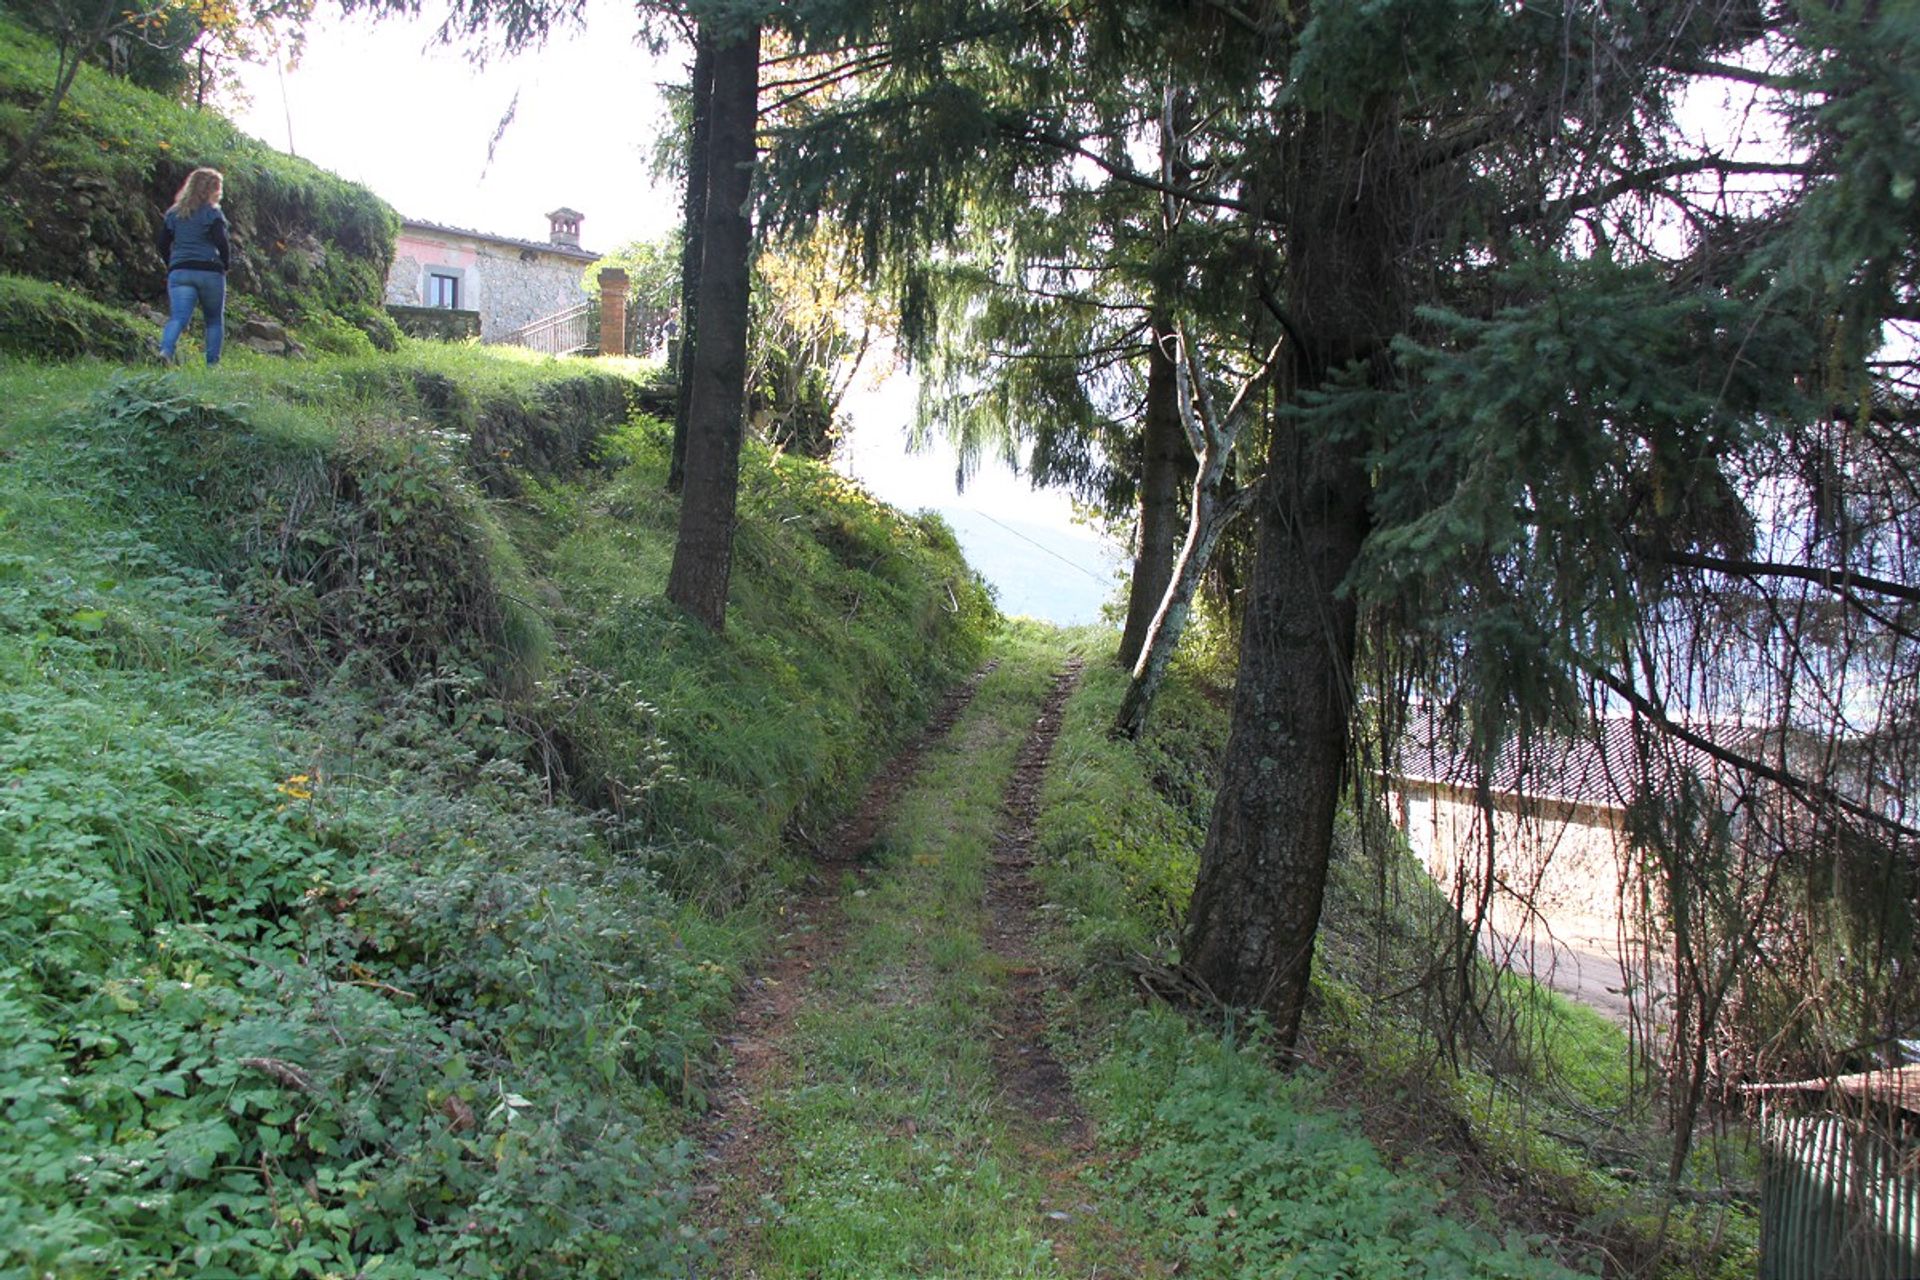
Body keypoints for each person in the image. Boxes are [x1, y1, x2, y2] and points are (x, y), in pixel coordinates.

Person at [157, 167, 230, 366]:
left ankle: (166, 349)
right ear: (213, 189)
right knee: (214, 320)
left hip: (180, 272)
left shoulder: (174, 214)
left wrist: (172, 264)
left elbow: (162, 243)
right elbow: (221, 242)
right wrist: (225, 264)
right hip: (210, 272)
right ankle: (212, 364)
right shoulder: (212, 213)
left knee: (178, 318)